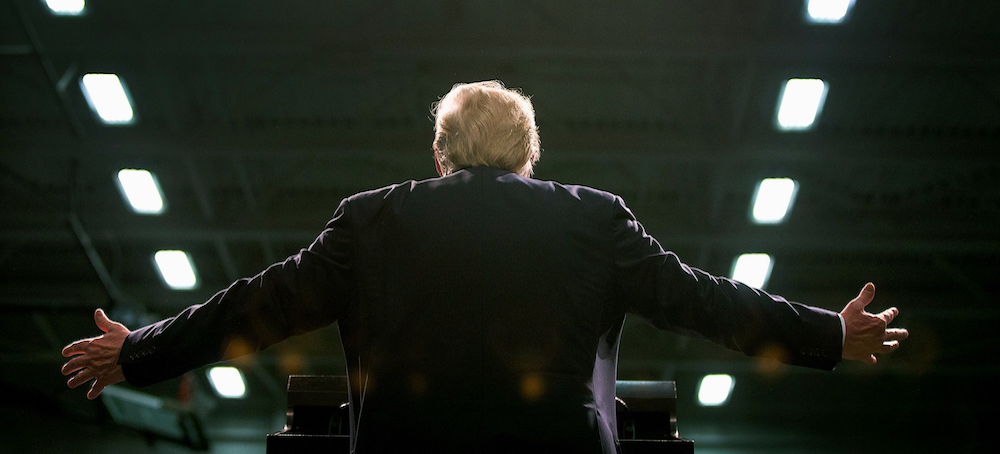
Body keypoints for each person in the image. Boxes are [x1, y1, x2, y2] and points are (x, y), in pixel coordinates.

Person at [62, 81, 908, 453]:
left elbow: (257, 305)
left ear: (440, 155)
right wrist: (829, 334)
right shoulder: (594, 218)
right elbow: (707, 303)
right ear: (530, 157)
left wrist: (139, 350)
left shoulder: (373, 219)